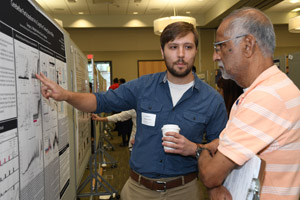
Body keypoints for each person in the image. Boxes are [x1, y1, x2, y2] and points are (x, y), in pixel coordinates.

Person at [35, 21, 228, 200]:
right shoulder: (143, 87)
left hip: (185, 191)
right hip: (138, 190)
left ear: (195, 51)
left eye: (187, 47)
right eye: (173, 47)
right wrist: (66, 95)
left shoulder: (212, 100)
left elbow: (220, 149)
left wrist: (195, 150)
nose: (180, 55)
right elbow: (100, 101)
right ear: (162, 51)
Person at [196, 7, 300, 200]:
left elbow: (210, 175)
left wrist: (200, 152)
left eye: (219, 46)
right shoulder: (272, 88)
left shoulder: (266, 97)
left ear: (248, 45)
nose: (215, 56)